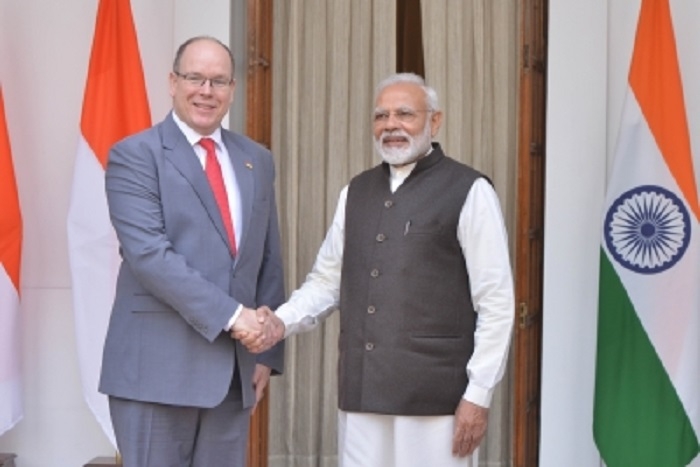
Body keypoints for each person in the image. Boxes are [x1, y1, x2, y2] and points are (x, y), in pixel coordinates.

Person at [240, 72, 515, 466]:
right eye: (381, 116)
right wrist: (280, 323)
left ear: (435, 121)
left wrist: (479, 394)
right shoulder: (355, 191)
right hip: (362, 393)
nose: (391, 125)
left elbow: (497, 301)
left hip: (435, 400)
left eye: (405, 114)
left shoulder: (470, 190)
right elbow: (326, 281)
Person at [99, 36, 284, 466]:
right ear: (172, 82)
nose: (206, 91)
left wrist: (266, 352)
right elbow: (150, 257)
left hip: (233, 376)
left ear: (232, 89)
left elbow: (267, 256)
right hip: (156, 375)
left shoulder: (257, 159)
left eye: (218, 81)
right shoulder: (135, 155)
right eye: (195, 78)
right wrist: (236, 317)